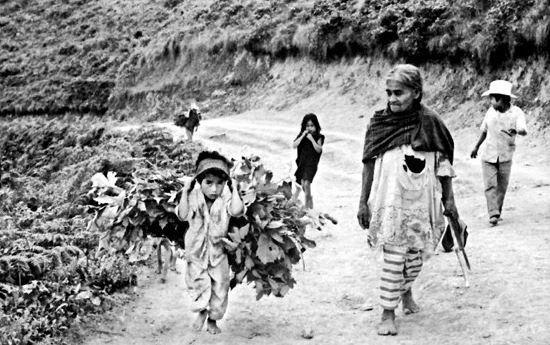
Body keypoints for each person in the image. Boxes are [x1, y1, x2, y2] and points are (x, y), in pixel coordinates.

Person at [357, 64, 461, 336]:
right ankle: (387, 312)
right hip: (390, 204)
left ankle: (405, 292)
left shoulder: (431, 123)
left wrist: (450, 201)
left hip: (421, 206)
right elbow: (368, 163)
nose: (392, 99)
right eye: (389, 93)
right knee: (394, 257)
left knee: (415, 259)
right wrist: (362, 202)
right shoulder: (379, 123)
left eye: (399, 93)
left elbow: (443, 163)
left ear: (416, 92)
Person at [176, 150, 245, 334]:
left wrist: (235, 188)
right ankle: (201, 311)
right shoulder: (193, 196)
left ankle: (213, 319)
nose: (214, 189)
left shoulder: (225, 199)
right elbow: (182, 216)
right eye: (209, 183)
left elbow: (237, 211)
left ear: (226, 183)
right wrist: (185, 191)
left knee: (220, 287)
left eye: (220, 183)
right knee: (198, 283)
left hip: (218, 252)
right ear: (199, 182)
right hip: (196, 251)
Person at [470, 80, 527, 226]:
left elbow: (523, 129)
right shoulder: (490, 112)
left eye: (492, 98)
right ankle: (493, 213)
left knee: (501, 187)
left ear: (501, 98)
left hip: (506, 155)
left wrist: (518, 130)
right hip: (488, 155)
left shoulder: (517, 113)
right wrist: (476, 147)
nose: (490, 101)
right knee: (490, 185)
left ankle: (497, 211)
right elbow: (484, 130)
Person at [292, 113, 324, 209]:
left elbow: (319, 149)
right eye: (307, 126)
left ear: (316, 126)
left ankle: (306, 208)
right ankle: (310, 202)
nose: (309, 128)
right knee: (303, 184)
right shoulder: (302, 135)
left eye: (312, 126)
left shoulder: (319, 136)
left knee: (307, 183)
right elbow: (294, 145)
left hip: (311, 164)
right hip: (302, 163)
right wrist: (303, 136)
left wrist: (311, 140)